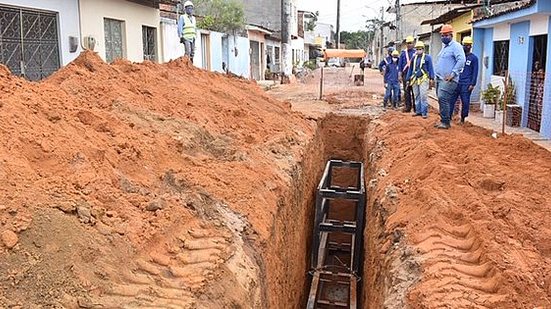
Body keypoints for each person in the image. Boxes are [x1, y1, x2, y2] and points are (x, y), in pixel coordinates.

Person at [434, 24, 466, 129]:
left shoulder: (456, 46)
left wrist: (453, 74)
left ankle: (446, 122)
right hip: (440, 78)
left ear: (451, 35)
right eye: (442, 35)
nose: (443, 37)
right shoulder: (445, 47)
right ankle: (443, 120)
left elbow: (461, 60)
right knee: (440, 99)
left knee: (443, 98)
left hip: (449, 79)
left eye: (446, 35)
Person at [449, 36, 478, 124]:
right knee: (451, 100)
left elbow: (475, 72)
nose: (467, 47)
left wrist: (472, 84)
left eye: (468, 45)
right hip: (456, 82)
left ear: (471, 46)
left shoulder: (474, 58)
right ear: (462, 45)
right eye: (465, 45)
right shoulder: (458, 57)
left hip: (466, 84)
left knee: (465, 102)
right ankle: (449, 117)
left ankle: (462, 118)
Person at [406, 41, 435, 119]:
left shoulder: (427, 57)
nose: (419, 50)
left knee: (423, 96)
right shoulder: (414, 58)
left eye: (420, 49)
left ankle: (424, 112)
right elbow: (410, 69)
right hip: (415, 79)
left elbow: (430, 68)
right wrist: (408, 79)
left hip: (423, 79)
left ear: (423, 49)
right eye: (417, 49)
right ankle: (418, 111)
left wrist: (432, 78)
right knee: (416, 96)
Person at [399, 36, 416, 113]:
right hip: (405, 74)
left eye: (410, 43)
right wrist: (399, 74)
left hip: (414, 75)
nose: (409, 45)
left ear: (413, 43)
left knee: (414, 91)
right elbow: (400, 64)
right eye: (407, 43)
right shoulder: (403, 53)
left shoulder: (416, 53)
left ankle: (416, 107)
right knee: (406, 91)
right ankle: (408, 107)